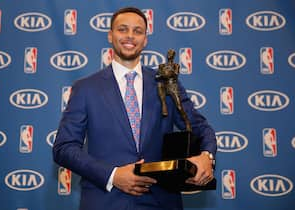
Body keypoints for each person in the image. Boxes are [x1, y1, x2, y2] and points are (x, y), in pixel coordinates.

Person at [53, 7, 216, 210]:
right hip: (106, 202)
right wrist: (113, 175)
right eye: (123, 29)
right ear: (110, 35)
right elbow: (64, 148)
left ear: (145, 39)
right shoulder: (85, 88)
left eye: (138, 31)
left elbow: (201, 128)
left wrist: (206, 156)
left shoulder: (165, 83)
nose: (130, 36)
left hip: (161, 202)